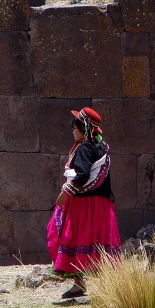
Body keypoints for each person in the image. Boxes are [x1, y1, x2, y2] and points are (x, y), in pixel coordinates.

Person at [47, 107, 121, 298]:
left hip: (84, 205)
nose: (73, 130)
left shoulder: (84, 148)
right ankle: (97, 286)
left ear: (84, 127)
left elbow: (83, 175)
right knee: (97, 243)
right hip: (102, 204)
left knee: (73, 237)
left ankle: (80, 284)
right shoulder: (102, 147)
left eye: (75, 126)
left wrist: (66, 192)